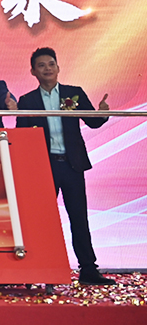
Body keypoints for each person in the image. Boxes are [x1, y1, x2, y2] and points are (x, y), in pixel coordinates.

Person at [16, 47, 113, 286]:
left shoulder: (74, 93)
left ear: (58, 67)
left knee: (79, 218)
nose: (47, 69)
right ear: (33, 71)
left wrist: (102, 114)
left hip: (72, 166)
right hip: (43, 167)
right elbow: (21, 136)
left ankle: (88, 270)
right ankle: (39, 268)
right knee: (41, 220)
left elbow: (92, 122)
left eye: (51, 64)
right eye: (41, 65)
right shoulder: (27, 101)